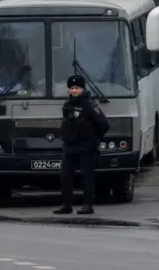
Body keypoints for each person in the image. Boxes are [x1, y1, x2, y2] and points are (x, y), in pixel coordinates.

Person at [54, 75, 109, 215]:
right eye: (72, 88)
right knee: (65, 175)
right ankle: (66, 205)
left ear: (82, 89)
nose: (74, 91)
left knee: (87, 176)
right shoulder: (68, 105)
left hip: (86, 147)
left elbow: (103, 125)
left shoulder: (90, 106)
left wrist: (94, 139)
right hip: (70, 146)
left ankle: (88, 205)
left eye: (77, 88)